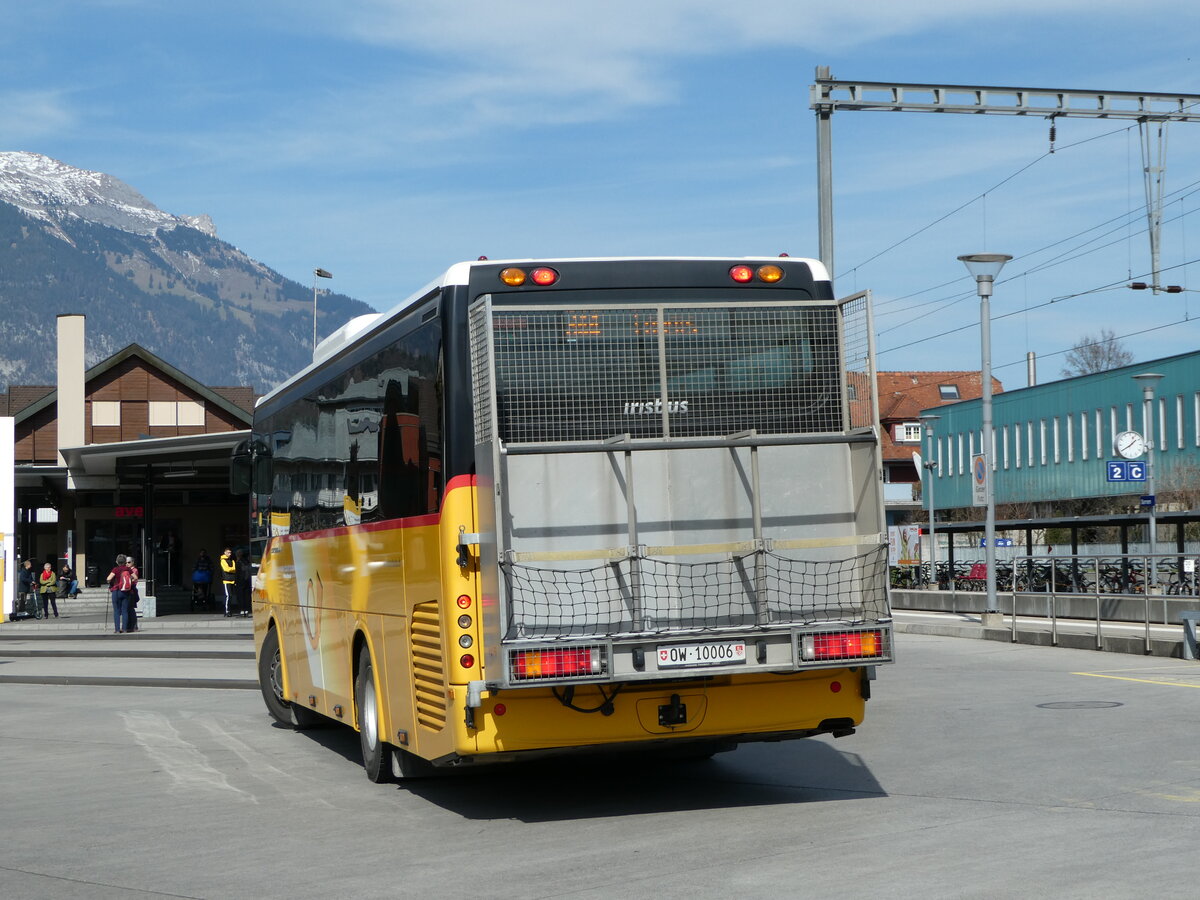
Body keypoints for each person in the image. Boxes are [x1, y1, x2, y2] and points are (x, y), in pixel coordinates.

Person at [106, 553, 137, 634]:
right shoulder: (128, 569)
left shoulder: (115, 569)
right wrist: (129, 581)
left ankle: (117, 629)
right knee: (125, 611)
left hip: (116, 591)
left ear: (117, 561)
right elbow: (136, 578)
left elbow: (108, 579)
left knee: (116, 611)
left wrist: (112, 582)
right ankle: (125, 629)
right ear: (125, 561)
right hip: (126, 591)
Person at [234, 549, 252, 617]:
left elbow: (237, 573)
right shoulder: (247, 562)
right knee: (247, 595)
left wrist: (235, 582)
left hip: (240, 581)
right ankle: (247, 610)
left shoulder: (238, 562)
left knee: (240, 596)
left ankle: (242, 611)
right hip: (247, 580)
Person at [220, 548, 236, 617]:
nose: (230, 554)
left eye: (230, 552)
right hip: (226, 580)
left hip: (232, 579)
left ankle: (229, 609)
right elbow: (226, 569)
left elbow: (234, 569)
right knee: (228, 596)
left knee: (231, 596)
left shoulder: (232, 560)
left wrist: (231, 570)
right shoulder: (223, 560)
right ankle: (227, 611)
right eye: (228, 552)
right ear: (225, 553)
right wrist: (232, 569)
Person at [126, 557, 141, 632]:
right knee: (128, 609)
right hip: (127, 591)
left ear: (132, 562)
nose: (127, 564)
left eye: (129, 562)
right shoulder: (127, 570)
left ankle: (134, 626)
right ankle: (129, 626)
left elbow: (133, 579)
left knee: (131, 609)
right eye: (126, 562)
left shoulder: (134, 570)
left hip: (132, 591)